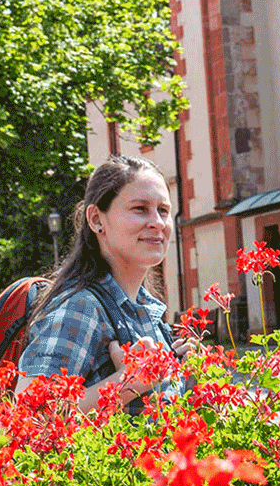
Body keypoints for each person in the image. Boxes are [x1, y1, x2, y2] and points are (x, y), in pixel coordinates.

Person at [17, 156, 177, 413]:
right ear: (96, 220)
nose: (157, 222)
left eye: (164, 211)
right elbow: (30, 412)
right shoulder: (81, 307)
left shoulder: (147, 310)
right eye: (140, 208)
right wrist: (130, 383)